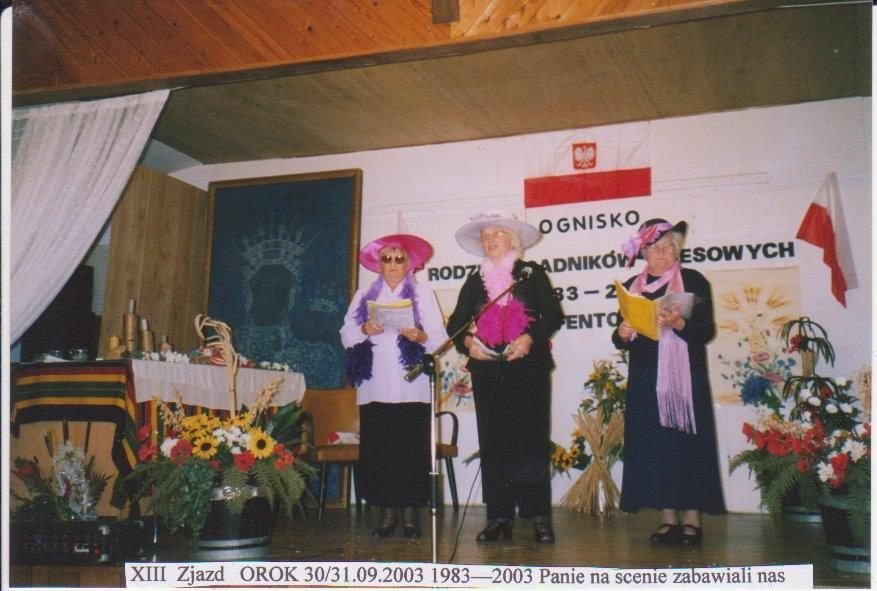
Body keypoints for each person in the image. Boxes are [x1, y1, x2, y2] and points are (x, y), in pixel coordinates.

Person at [447, 210, 563, 544]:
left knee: (531, 442)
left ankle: (538, 516)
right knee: (494, 443)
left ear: (513, 240)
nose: (489, 240)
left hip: (528, 369)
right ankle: (499, 516)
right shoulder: (475, 280)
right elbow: (456, 322)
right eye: (485, 236)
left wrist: (529, 338)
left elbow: (553, 315)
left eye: (496, 233)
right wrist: (468, 343)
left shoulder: (530, 273)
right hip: (488, 370)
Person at [613, 218, 726, 546]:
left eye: (667, 247)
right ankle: (667, 519)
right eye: (654, 248)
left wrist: (679, 324)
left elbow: (706, 331)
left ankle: (692, 519)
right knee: (657, 446)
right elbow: (621, 337)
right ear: (644, 252)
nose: (661, 253)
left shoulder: (693, 281)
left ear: (677, 250)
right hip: (646, 378)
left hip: (685, 379)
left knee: (687, 445)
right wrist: (621, 333)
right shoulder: (633, 286)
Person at [340, 233, 448, 539]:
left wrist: (421, 336)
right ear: (379, 263)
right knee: (380, 452)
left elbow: (440, 340)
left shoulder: (423, 294)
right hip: (375, 387)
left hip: (411, 386)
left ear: (409, 263)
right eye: (386, 258)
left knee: (411, 451)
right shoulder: (364, 294)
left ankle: (411, 518)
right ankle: (386, 517)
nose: (393, 264)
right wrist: (364, 328)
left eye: (399, 259)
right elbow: (346, 335)